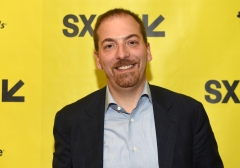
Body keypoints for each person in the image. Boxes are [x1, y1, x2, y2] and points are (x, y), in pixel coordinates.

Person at [53, 8, 223, 168]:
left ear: (147, 51)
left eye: (131, 42)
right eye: (110, 46)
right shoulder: (70, 121)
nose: (122, 54)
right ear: (98, 59)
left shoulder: (189, 113)